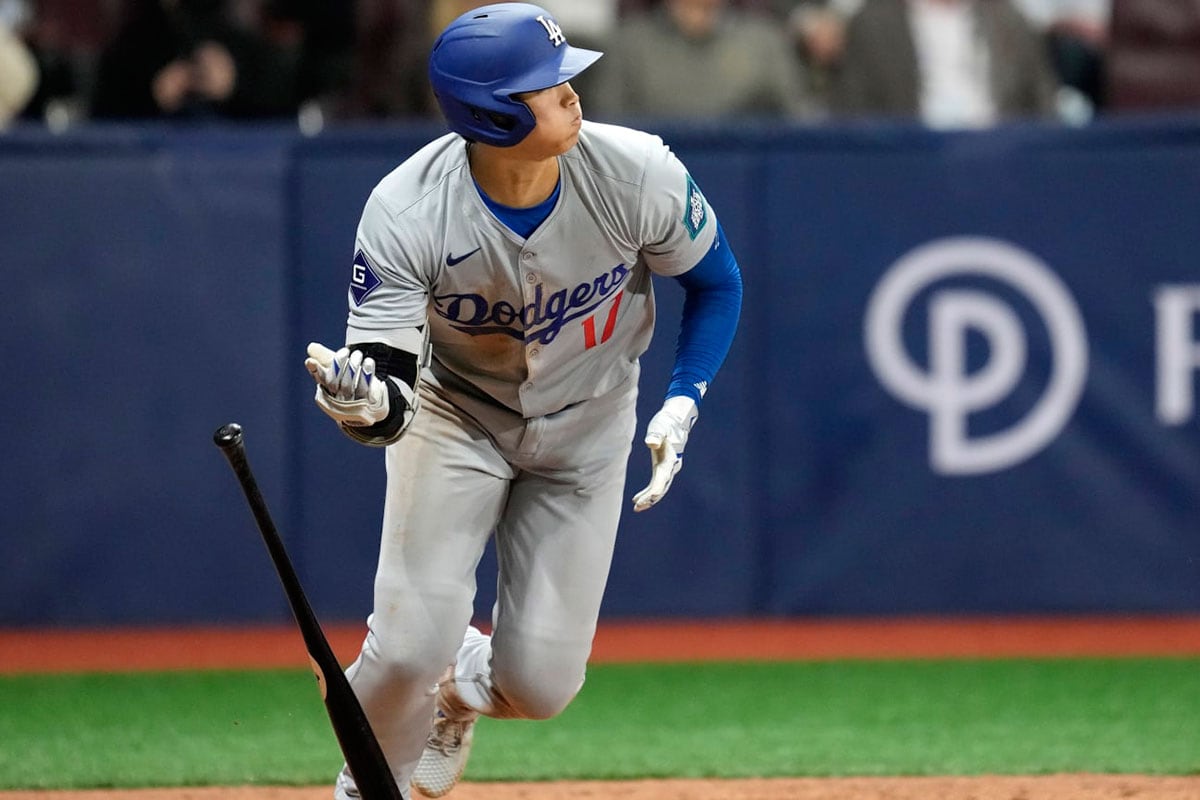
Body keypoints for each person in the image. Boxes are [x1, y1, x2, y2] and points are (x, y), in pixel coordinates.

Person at [302, 4, 743, 799]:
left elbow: (717, 282)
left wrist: (685, 397)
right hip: (455, 416)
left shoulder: (637, 170)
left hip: (591, 420)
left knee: (539, 687)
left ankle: (458, 692)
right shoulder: (406, 210)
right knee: (406, 648)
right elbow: (392, 385)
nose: (573, 92)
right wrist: (368, 410)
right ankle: (372, 783)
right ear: (492, 114)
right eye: (547, 86)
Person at [832, 0, 1059, 128]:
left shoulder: (1010, 20)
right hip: (909, 162)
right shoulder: (873, 22)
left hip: (998, 161)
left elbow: (1044, 105)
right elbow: (854, 113)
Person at [587, 0, 820, 121]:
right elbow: (608, 130)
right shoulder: (629, 45)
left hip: (749, 185)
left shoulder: (764, 42)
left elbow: (801, 124)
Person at [90, 0, 298, 120]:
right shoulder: (130, 44)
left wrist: (234, 85)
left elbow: (286, 114)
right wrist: (153, 96)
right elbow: (101, 122)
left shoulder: (237, 41)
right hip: (151, 175)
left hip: (226, 175)